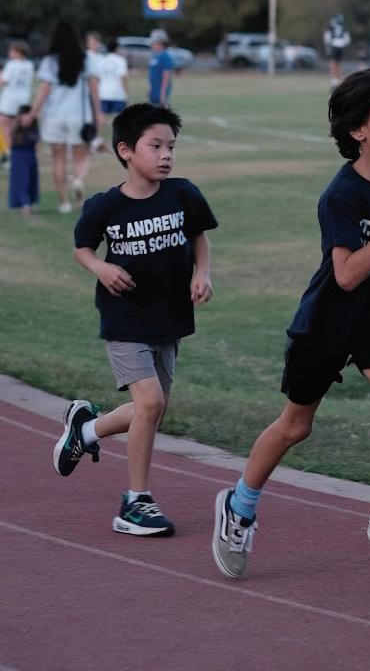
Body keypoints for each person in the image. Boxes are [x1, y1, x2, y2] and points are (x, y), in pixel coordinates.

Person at [212, 66, 370, 579]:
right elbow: (346, 274)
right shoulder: (340, 195)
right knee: (296, 425)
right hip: (327, 322)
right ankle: (239, 506)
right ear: (358, 129)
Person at [52, 103, 218, 537]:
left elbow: (198, 237)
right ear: (125, 150)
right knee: (150, 403)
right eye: (155, 146)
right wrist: (101, 268)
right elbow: (82, 248)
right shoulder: (105, 206)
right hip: (125, 316)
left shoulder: (182, 194)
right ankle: (135, 503)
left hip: (169, 316)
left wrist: (202, 273)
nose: (166, 155)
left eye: (171, 147)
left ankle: (86, 430)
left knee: (152, 409)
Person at [21, 21, 101, 213]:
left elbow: (44, 90)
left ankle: (64, 203)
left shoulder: (49, 61)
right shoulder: (85, 58)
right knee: (81, 157)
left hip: (54, 117)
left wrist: (32, 114)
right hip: (79, 116)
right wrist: (98, 113)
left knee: (58, 159)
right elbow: (93, 88)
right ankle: (78, 181)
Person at [0, 40, 34, 169]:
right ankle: (16, 154)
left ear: (18, 52)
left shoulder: (12, 64)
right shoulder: (29, 65)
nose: (9, 53)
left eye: (11, 50)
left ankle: (9, 155)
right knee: (17, 130)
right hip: (23, 100)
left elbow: (3, 81)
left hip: (9, 100)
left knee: (5, 128)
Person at [8, 104, 39, 214]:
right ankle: (24, 203)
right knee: (21, 180)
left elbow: (36, 142)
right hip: (18, 155)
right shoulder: (16, 127)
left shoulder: (34, 126)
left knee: (30, 180)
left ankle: (29, 202)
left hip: (30, 154)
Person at [97, 37, 129, 121]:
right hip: (118, 94)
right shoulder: (121, 60)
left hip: (103, 93)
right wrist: (126, 93)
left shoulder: (101, 60)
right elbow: (123, 78)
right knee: (120, 119)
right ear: (117, 48)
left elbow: (98, 78)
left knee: (103, 118)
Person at [323, 13, 351, 87]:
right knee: (339, 64)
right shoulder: (343, 28)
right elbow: (347, 40)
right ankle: (338, 81)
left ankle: (334, 81)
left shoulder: (331, 28)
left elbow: (327, 38)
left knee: (333, 63)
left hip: (334, 47)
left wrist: (329, 46)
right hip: (340, 47)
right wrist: (342, 44)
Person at [148, 29, 174, 106]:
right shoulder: (154, 56)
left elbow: (166, 76)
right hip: (154, 88)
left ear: (160, 44)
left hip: (160, 89)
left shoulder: (165, 57)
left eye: (154, 43)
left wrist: (163, 94)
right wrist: (150, 88)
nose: (151, 44)